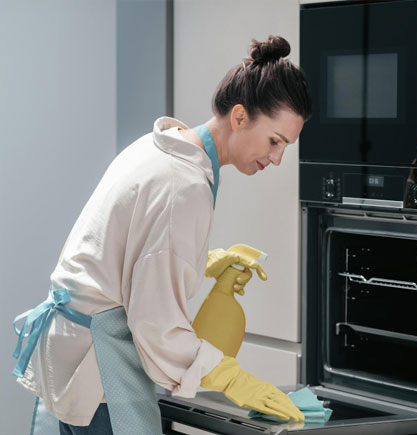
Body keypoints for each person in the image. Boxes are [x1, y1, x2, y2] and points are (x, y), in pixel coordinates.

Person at [11, 35, 312, 434]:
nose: (277, 158)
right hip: (101, 367)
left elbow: (123, 251)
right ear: (239, 117)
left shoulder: (159, 147)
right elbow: (157, 327)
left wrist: (197, 262)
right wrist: (231, 377)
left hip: (71, 350)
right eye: (275, 141)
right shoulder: (183, 186)